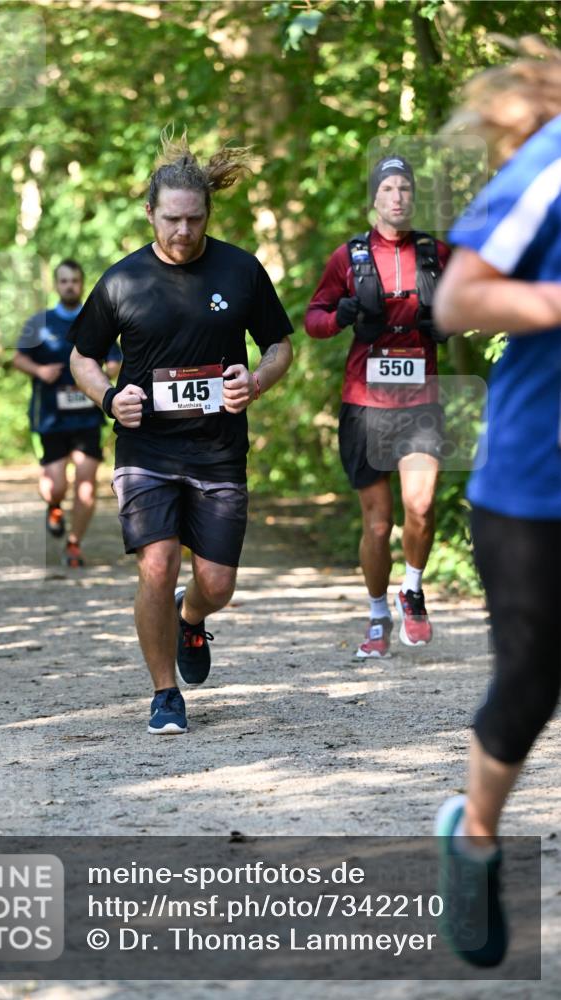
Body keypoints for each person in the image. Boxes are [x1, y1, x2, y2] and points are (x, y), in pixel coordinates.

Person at [68, 130, 293, 735]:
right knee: (158, 564)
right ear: (150, 213)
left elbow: (279, 345)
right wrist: (111, 399)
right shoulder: (121, 282)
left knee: (216, 583)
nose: (184, 232)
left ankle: (191, 618)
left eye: (194, 220)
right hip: (146, 449)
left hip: (219, 451)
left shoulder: (241, 270)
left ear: (207, 214)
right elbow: (82, 357)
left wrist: (258, 380)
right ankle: (165, 693)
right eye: (172, 220)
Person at [432, 43, 561, 967]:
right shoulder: (550, 161)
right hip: (534, 482)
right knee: (531, 677)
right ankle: (474, 835)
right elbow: (458, 298)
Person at [305, 156, 450, 659]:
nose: (398, 196)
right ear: (375, 198)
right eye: (388, 187)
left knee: (422, 504)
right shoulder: (349, 257)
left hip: (421, 399)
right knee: (377, 522)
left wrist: (452, 320)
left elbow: (468, 302)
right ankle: (376, 616)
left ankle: (411, 590)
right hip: (365, 401)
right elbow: (313, 318)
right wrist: (339, 315)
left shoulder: (435, 253)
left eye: (405, 188)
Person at [13, 259, 122, 568]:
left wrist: (111, 368)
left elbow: (115, 359)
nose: (70, 285)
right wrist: (40, 370)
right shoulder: (40, 323)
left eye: (74, 280)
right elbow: (18, 358)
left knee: (86, 482)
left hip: (88, 415)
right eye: (64, 281)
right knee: (55, 485)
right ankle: (54, 506)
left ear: (82, 283)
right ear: (56, 285)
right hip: (50, 415)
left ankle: (74, 544)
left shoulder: (97, 319)